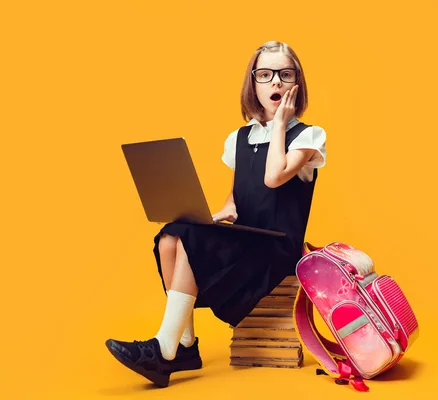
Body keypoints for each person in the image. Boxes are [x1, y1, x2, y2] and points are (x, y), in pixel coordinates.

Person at [105, 41, 327, 387]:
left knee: (194, 239)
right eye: (265, 74)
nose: (276, 83)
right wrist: (224, 210)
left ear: (297, 82)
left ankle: (162, 350)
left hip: (276, 247)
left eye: (285, 74)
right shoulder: (240, 137)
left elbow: (273, 176)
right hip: (247, 236)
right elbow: (244, 187)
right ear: (252, 83)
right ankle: (183, 345)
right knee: (172, 233)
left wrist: (281, 123)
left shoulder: (308, 136)